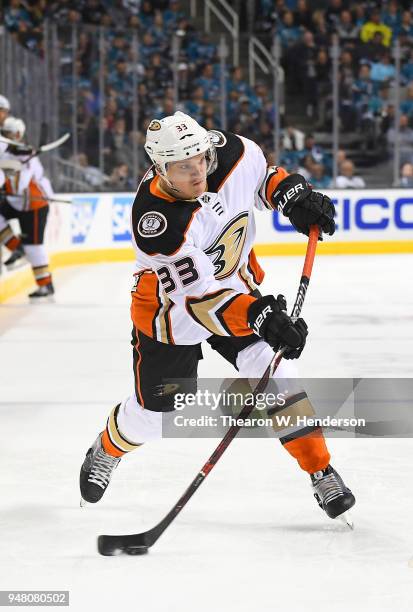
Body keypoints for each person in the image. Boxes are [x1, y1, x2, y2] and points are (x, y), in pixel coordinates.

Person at [79, 112, 355, 523]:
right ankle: (108, 447)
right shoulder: (157, 224)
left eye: (202, 160)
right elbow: (200, 302)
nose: (197, 173)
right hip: (171, 312)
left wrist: (291, 196)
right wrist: (260, 316)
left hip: (235, 287)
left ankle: (320, 470)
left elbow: (264, 178)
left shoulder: (234, 152)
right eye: (183, 168)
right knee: (156, 418)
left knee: (276, 378)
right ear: (160, 169)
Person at [0, 116, 55, 298]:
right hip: (16, 202)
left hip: (34, 204)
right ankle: (17, 247)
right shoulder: (8, 152)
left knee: (34, 247)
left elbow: (21, 183)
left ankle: (46, 284)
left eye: (8, 133)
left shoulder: (27, 155)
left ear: (17, 134)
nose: (5, 136)